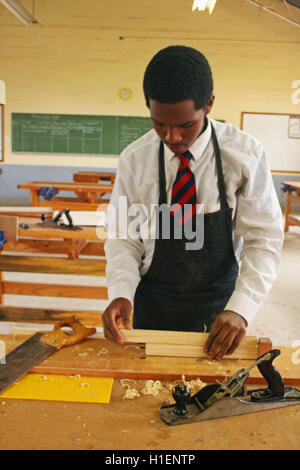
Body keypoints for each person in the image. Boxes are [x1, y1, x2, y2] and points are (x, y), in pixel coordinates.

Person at [102, 45, 283, 360]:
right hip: (152, 307)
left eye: (186, 125)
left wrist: (240, 309)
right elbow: (123, 237)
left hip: (220, 312)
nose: (172, 137)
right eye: (160, 124)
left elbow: (262, 240)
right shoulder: (135, 160)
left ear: (209, 104)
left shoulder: (243, 156)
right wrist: (120, 294)